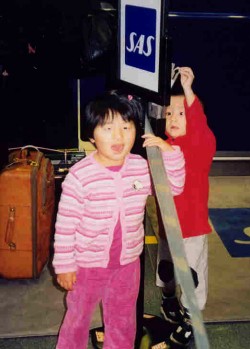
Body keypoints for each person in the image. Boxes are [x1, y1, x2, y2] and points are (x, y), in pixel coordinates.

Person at [52, 90, 186, 349]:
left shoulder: (139, 166)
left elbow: (173, 189)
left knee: (123, 322)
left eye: (126, 127)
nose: (119, 136)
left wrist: (169, 153)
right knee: (77, 320)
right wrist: (64, 265)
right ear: (92, 135)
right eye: (108, 128)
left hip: (126, 266)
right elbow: (65, 225)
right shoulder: (80, 176)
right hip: (86, 266)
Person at [156, 66, 216, 347]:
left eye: (181, 113)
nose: (174, 118)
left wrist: (189, 91)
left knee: (190, 275)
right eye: (169, 113)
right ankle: (169, 300)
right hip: (168, 225)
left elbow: (200, 127)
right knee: (167, 267)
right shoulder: (163, 144)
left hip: (191, 227)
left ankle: (193, 319)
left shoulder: (199, 145)